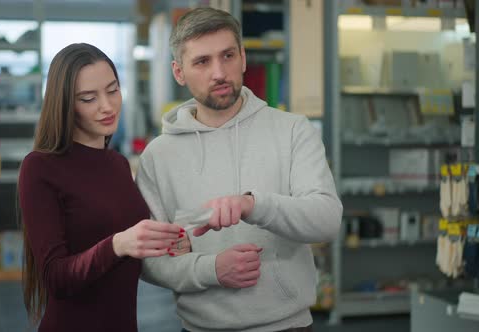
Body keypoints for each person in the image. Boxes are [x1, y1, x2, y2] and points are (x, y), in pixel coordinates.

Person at [136, 7, 343, 332]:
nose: (219, 72)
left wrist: (254, 204)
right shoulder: (158, 157)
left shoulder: (292, 130)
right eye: (202, 61)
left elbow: (327, 220)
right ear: (179, 72)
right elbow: (149, 260)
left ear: (243, 58)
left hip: (287, 326)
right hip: (200, 327)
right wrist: (212, 269)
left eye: (228, 56)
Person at [18, 43, 185, 332]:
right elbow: (55, 278)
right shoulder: (39, 168)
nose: (107, 106)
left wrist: (171, 243)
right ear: (65, 104)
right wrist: (118, 244)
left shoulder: (118, 164)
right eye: (88, 98)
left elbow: (127, 249)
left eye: (113, 90)